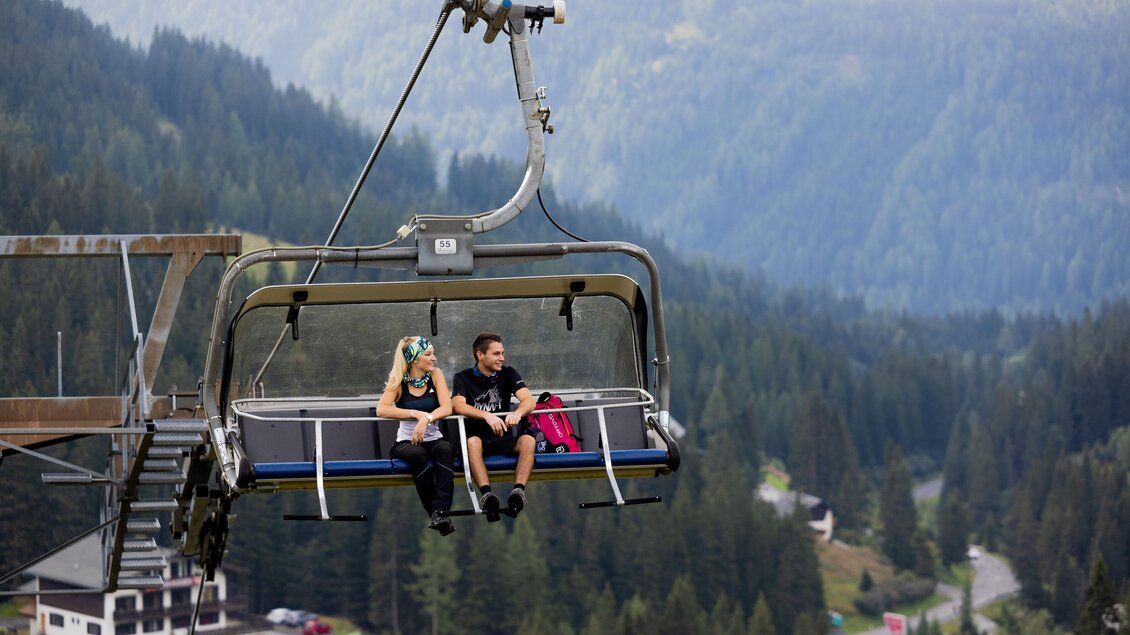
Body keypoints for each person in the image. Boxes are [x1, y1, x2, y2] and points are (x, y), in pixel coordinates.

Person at [452, 332, 537, 521]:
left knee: (528, 441)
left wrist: (517, 413)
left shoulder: (508, 373)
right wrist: (487, 416)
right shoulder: (463, 377)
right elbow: (457, 405)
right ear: (480, 355)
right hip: (479, 441)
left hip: (504, 439)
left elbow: (529, 401)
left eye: (502, 353)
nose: (502, 358)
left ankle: (518, 491)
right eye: (496, 354)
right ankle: (487, 496)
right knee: (472, 442)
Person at [376, 335, 456, 535]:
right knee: (417, 454)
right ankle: (436, 514)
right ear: (414, 359)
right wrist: (416, 414)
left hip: (433, 439)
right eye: (428, 354)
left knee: (446, 449)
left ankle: (442, 510)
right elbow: (382, 409)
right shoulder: (399, 381)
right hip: (406, 442)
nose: (434, 358)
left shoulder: (435, 375)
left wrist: (426, 420)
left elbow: (447, 407)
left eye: (433, 353)